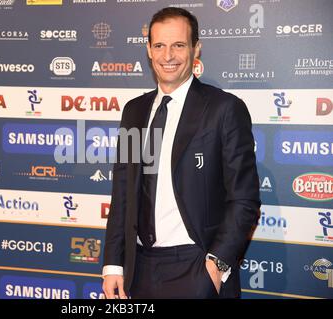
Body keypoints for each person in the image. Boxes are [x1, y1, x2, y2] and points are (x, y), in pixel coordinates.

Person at [102, 7, 261, 299]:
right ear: (148, 50)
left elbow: (244, 198)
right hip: (138, 268)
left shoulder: (223, 109)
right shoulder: (134, 111)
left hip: (197, 267)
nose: (168, 56)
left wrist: (215, 267)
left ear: (195, 48)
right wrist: (113, 263)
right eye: (160, 45)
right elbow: (122, 191)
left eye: (178, 45)